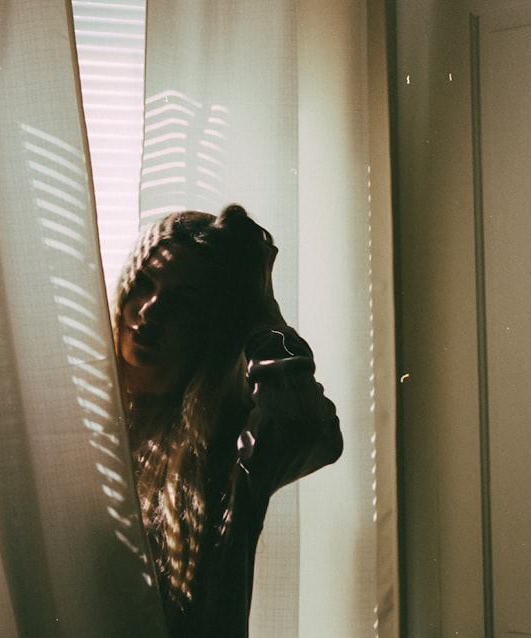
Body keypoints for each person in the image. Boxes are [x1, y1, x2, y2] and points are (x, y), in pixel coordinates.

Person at [112, 204, 343, 637]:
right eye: (143, 284)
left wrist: (259, 307)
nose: (149, 310)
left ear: (211, 323)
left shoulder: (225, 450)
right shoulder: (83, 426)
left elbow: (307, 426)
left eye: (182, 301)